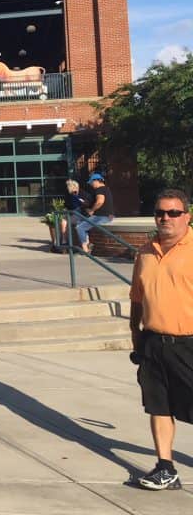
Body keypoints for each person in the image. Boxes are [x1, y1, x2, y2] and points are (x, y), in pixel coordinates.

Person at [129, 188, 193, 491]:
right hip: (153, 342)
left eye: (173, 212)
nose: (165, 218)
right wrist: (136, 335)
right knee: (159, 405)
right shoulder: (144, 252)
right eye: (160, 212)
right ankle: (165, 468)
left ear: (187, 216)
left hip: (189, 343)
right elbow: (137, 299)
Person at [76, 173, 114, 253]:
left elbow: (100, 202)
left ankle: (85, 247)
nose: (91, 185)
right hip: (107, 216)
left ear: (96, 181)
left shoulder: (99, 190)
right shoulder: (106, 189)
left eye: (91, 182)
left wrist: (91, 210)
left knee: (80, 227)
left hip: (101, 216)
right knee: (81, 223)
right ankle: (87, 244)